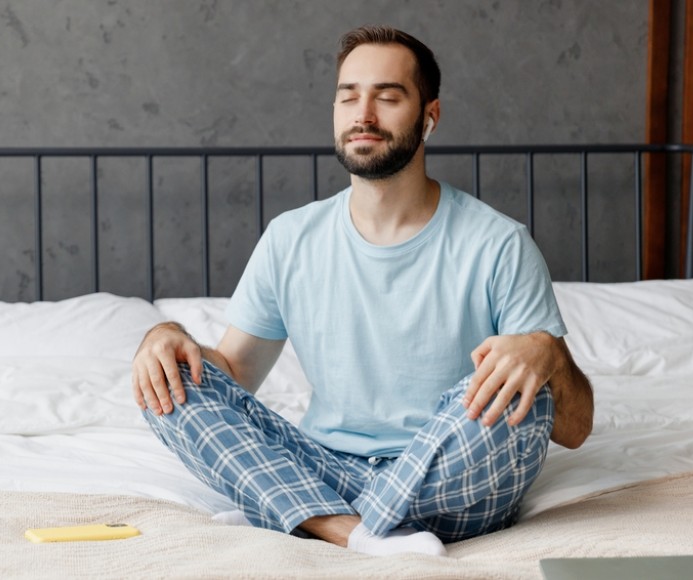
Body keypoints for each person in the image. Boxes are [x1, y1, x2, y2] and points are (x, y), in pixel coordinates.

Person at [132, 25, 593, 557]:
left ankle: (294, 508)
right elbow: (233, 374)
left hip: (452, 467)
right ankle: (354, 532)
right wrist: (165, 335)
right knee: (167, 382)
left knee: (525, 397)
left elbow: (575, 430)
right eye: (348, 95)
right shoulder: (290, 238)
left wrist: (550, 356)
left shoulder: (499, 243)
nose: (363, 114)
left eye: (388, 97)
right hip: (324, 465)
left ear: (430, 117)